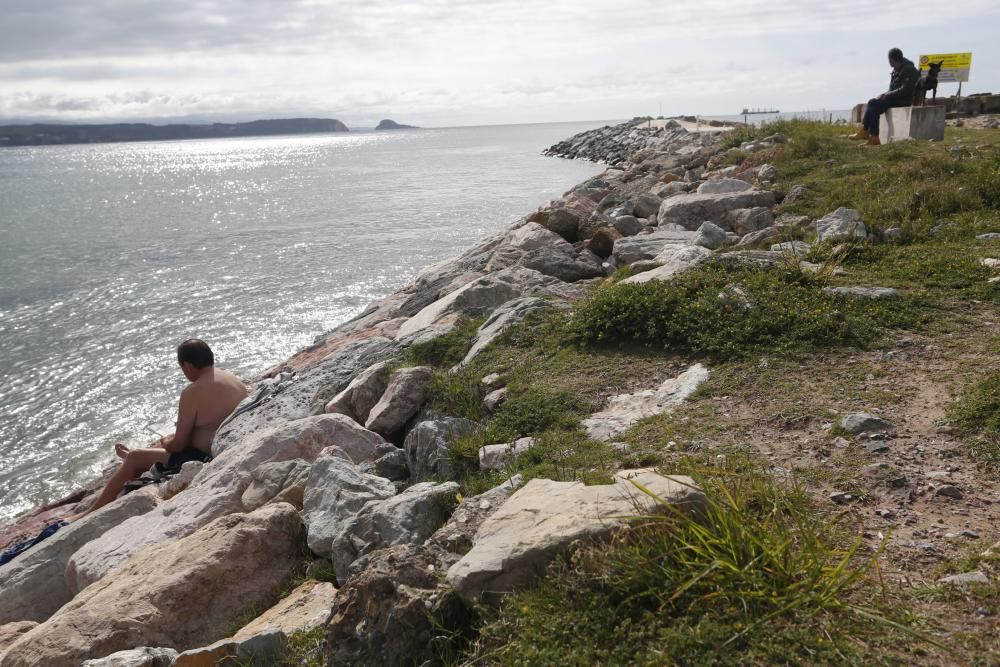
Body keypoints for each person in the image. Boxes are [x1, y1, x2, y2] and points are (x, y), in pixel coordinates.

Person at [85, 339, 248, 513]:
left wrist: (167, 443)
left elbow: (179, 445)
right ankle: (137, 458)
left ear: (187, 365)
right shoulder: (229, 377)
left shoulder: (192, 391)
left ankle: (89, 512)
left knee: (135, 456)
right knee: (163, 442)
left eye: (182, 367)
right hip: (222, 442)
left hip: (202, 456)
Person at [850, 47, 919, 145]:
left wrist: (887, 96)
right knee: (873, 103)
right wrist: (884, 94)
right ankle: (870, 135)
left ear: (891, 59)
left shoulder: (908, 69)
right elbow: (893, 89)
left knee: (873, 103)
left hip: (903, 100)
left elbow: (906, 89)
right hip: (896, 98)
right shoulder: (897, 69)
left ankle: (869, 133)